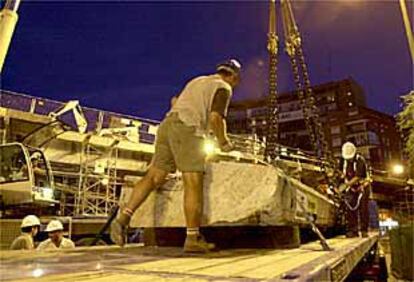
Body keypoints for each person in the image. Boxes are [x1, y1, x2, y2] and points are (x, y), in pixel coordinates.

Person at [110, 59, 241, 253]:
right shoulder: (223, 87)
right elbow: (216, 118)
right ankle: (192, 238)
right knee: (193, 182)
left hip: (167, 125)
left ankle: (123, 218)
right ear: (233, 77)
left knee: (154, 175)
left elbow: (175, 101)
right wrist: (224, 142)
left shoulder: (198, 80)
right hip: (188, 128)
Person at [339, 142, 371, 238]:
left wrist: (346, 185)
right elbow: (341, 172)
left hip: (362, 186)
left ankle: (364, 230)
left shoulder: (360, 160)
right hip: (350, 187)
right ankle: (353, 230)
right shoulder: (343, 161)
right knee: (350, 208)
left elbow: (358, 176)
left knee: (363, 208)